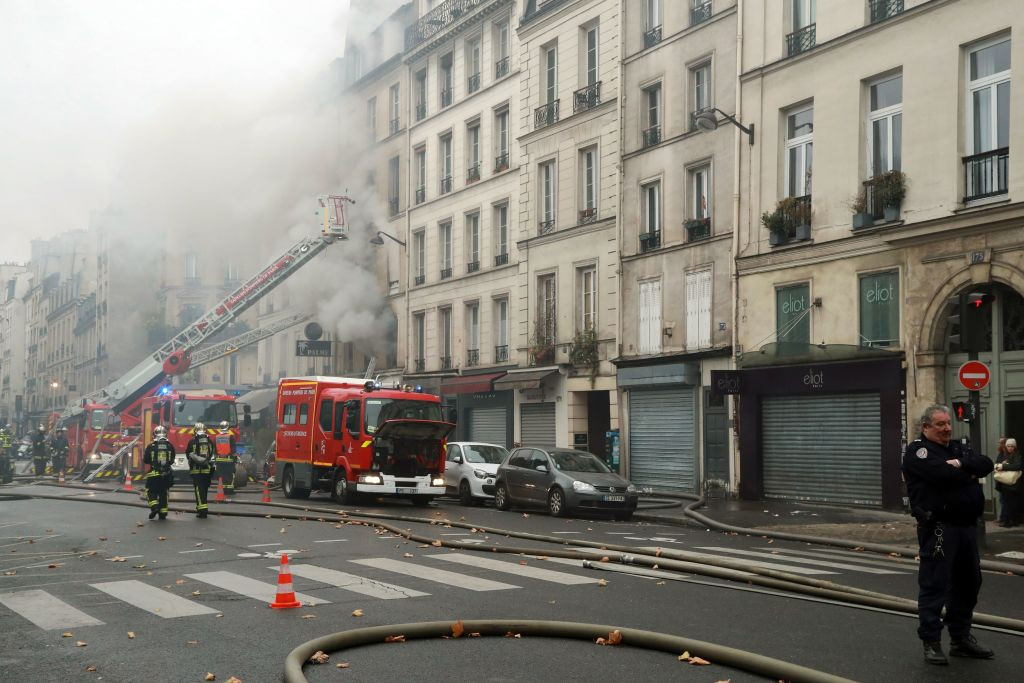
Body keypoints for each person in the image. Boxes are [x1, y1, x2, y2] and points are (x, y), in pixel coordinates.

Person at [902, 404, 995, 666]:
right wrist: (968, 472)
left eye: (948, 423)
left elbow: (986, 464)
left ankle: (960, 638)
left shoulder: (956, 448)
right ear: (926, 427)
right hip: (940, 528)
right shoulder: (918, 451)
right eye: (940, 424)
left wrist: (961, 464)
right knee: (935, 584)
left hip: (966, 528)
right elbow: (943, 475)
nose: (947, 428)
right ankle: (931, 642)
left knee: (969, 583)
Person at [143, 425, 175, 520]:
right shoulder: (170, 446)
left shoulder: (151, 446)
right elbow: (172, 460)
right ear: (166, 434)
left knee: (150, 491)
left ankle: (155, 507)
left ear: (154, 434)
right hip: (166, 474)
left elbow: (146, 460)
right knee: (163, 493)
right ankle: (163, 513)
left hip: (154, 474)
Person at [185, 422, 214, 518]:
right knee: (204, 489)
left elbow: (188, 454)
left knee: (199, 490)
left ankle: (202, 511)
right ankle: (203, 508)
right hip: (207, 470)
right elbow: (212, 453)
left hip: (196, 470)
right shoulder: (209, 440)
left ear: (195, 430)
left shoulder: (192, 441)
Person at [994, 438, 1022, 527]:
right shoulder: (1003, 454)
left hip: (1012, 483)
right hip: (1003, 483)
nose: (1010, 448)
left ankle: (1011, 521)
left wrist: (1004, 466)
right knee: (1005, 503)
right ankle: (1007, 521)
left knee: (1012, 503)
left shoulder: (1017, 455)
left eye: (1012, 446)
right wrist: (1002, 465)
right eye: (1008, 446)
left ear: (1015, 447)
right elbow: (997, 465)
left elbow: (1018, 466)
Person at [213, 420, 237, 498]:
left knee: (221, 475)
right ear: (228, 428)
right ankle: (229, 490)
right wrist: (235, 459)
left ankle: (222, 490)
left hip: (219, 460)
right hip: (229, 460)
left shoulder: (216, 437)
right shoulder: (230, 437)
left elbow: (214, 450)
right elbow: (233, 449)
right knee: (230, 475)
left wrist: (216, 459)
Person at [994, 438, 1009, 525]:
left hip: (1007, 479)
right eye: (999, 443)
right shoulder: (1001, 453)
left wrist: (1003, 465)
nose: (1000, 444)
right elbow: (997, 464)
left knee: (1005, 500)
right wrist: (1000, 465)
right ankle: (1002, 517)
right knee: (1002, 499)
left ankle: (1005, 519)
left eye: (1001, 443)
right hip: (1001, 479)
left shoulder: (1008, 454)